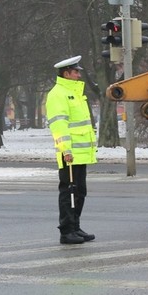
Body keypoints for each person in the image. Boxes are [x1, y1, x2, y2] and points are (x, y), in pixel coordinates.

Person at [46, 55, 98, 245]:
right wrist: (65, 149)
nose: (78, 74)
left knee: (80, 191)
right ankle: (66, 230)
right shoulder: (58, 94)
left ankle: (75, 226)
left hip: (80, 152)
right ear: (66, 73)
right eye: (75, 71)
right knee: (69, 192)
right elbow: (59, 126)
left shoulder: (75, 93)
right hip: (69, 153)